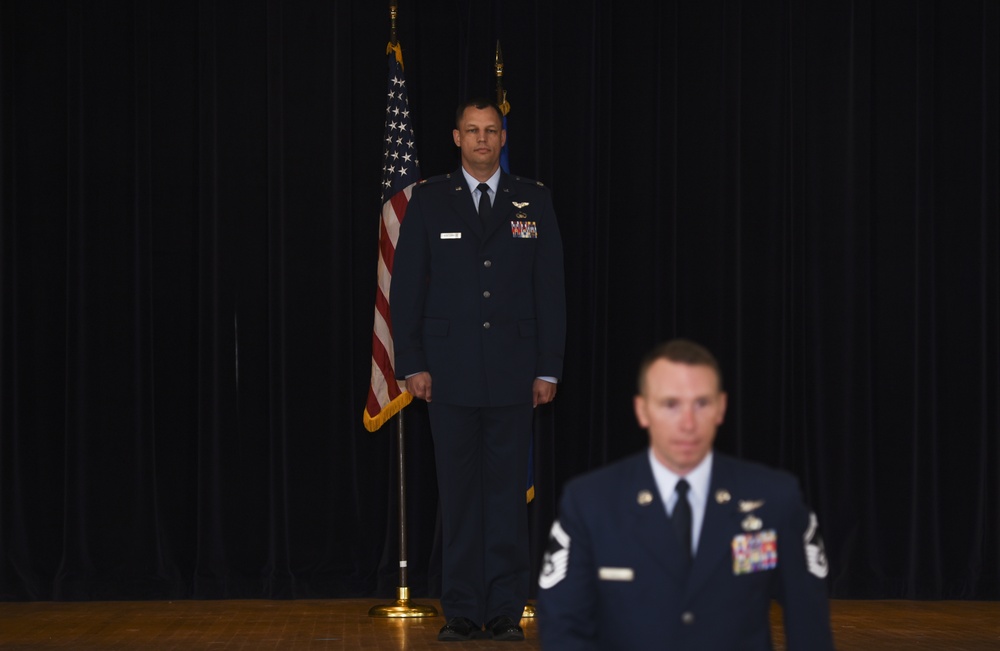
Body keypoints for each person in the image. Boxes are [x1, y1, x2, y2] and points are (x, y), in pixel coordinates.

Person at [392, 98, 566, 642]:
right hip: (447, 375)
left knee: (507, 499)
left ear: (503, 136)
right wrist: (412, 362)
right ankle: (464, 609)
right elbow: (405, 291)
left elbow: (551, 292)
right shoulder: (427, 201)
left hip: (516, 376)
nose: (483, 140)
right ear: (456, 138)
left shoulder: (532, 200)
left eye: (491, 131)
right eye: (472, 131)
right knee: (461, 496)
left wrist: (549, 369)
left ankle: (506, 612)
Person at [537, 339, 834, 650]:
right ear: (643, 410)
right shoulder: (591, 503)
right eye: (670, 404)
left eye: (702, 403)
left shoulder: (775, 498)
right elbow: (563, 627)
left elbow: (809, 626)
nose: (688, 423)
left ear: (721, 408)